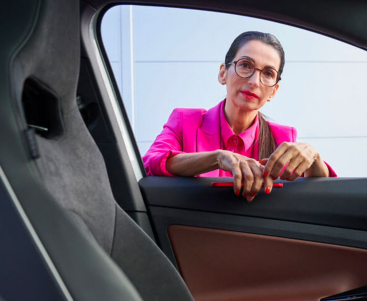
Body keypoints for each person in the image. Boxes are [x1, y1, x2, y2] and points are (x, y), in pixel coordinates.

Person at [142, 31, 336, 201]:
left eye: (268, 73)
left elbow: (320, 196)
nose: (254, 82)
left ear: (274, 91)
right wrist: (218, 158)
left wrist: (315, 158)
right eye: (245, 65)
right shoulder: (185, 121)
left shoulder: (283, 139)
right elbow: (151, 163)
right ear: (223, 74)